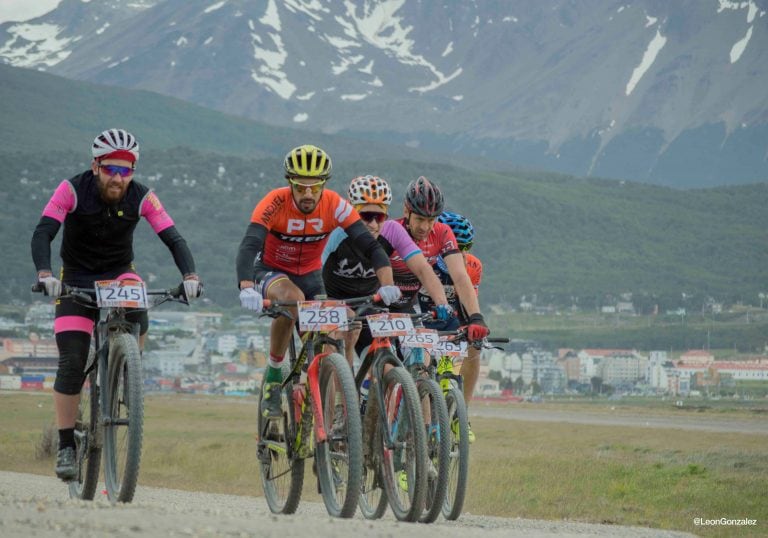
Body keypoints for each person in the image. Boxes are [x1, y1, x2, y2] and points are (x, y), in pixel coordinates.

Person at [30, 128, 202, 481]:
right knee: (72, 361)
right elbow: (43, 231)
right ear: (96, 166)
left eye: (126, 171)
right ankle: (65, 445)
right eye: (111, 169)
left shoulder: (142, 197)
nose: (119, 178)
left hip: (119, 274)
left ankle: (128, 371)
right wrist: (46, 273)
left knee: (138, 298)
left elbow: (173, 237)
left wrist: (190, 276)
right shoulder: (72, 189)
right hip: (74, 279)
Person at [235, 145, 400, 418]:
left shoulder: (334, 205)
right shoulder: (274, 202)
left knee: (335, 329)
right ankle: (275, 376)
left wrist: (387, 283)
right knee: (293, 300)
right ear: (290, 183)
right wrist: (246, 286)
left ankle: (324, 414)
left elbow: (371, 247)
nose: (308, 194)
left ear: (324, 183)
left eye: (315, 187)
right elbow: (250, 244)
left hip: (311, 275)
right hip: (272, 271)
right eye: (301, 187)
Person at [322, 175, 453, 366]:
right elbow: (315, 268)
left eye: (380, 217)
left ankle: (363, 389)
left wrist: (442, 302)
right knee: (337, 346)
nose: (374, 224)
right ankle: (342, 391)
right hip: (332, 298)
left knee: (388, 371)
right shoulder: (336, 232)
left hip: (368, 304)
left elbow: (423, 270)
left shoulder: (392, 231)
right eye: (366, 216)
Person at [418, 211, 483, 442]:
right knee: (420, 365)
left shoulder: (472, 266)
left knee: (476, 348)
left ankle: (460, 414)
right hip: (421, 319)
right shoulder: (423, 260)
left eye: (467, 247)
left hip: (449, 323)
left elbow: (468, 305)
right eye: (457, 247)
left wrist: (475, 330)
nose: (462, 253)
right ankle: (418, 424)